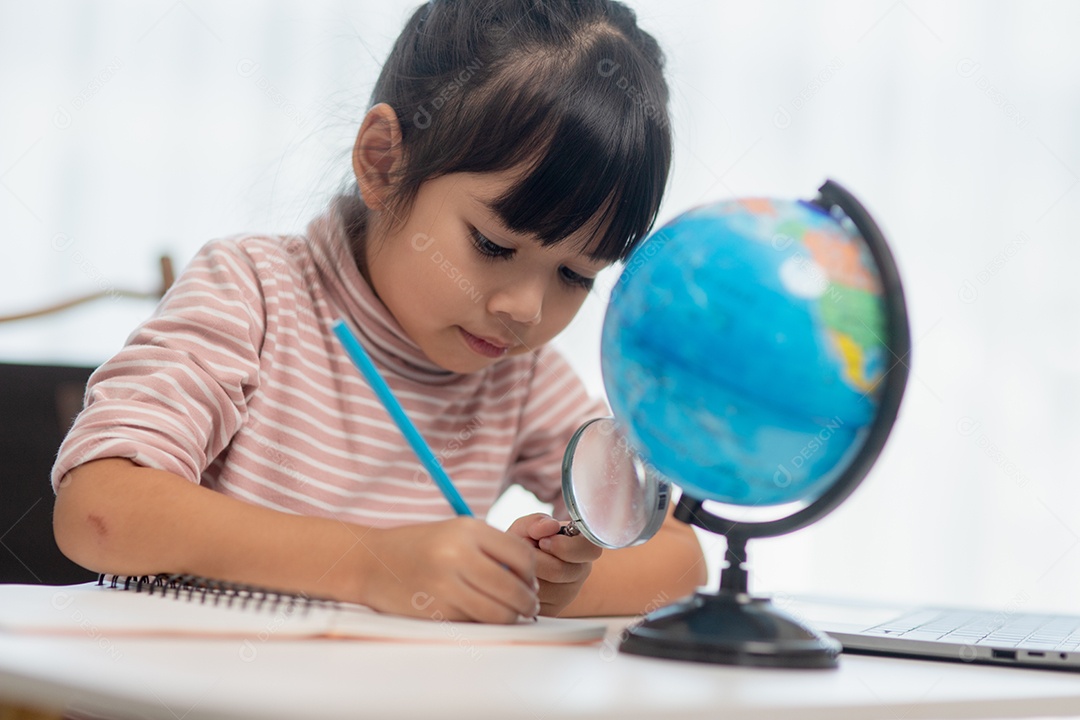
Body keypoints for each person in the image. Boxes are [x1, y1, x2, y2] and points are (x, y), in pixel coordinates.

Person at [52, 0, 706, 624]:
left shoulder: (519, 377)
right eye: (491, 245)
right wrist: (368, 565)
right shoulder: (253, 293)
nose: (525, 309)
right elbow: (101, 508)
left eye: (575, 274)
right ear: (384, 162)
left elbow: (679, 559)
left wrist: (538, 587)